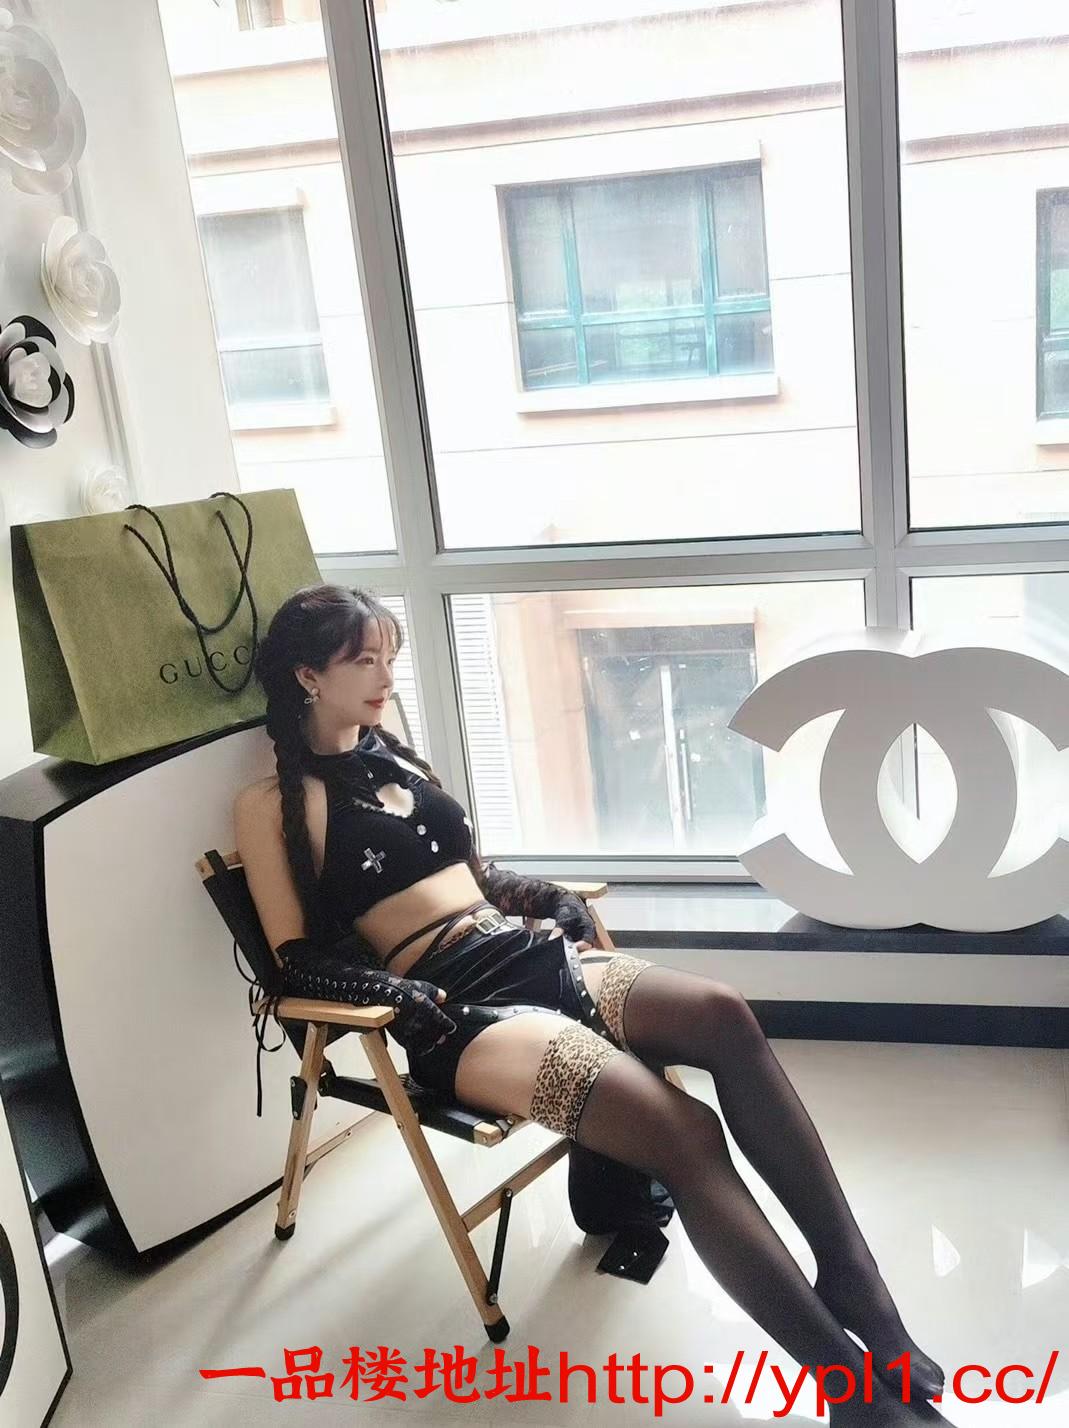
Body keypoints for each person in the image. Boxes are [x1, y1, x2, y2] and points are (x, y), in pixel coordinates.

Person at [235, 583, 947, 1426]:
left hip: (525, 951)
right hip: (458, 1010)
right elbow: (292, 962)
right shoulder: (272, 805)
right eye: (364, 660)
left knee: (721, 1012)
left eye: (390, 656)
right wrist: (398, 993)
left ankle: (854, 1281)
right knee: (681, 1131)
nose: (386, 675)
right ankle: (846, 1387)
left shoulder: (402, 759)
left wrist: (546, 896)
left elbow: (474, 876)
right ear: (308, 676)